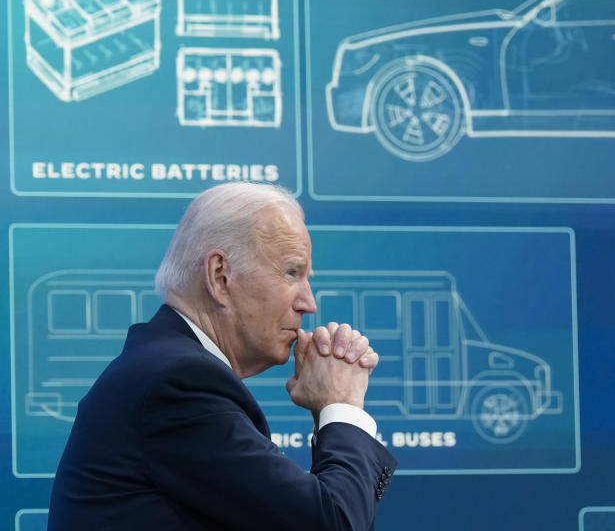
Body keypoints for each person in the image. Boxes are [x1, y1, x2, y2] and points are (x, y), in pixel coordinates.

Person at [48, 182, 397, 530]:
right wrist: (342, 406)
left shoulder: (165, 369)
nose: (309, 303)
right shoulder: (178, 384)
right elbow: (330, 524)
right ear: (220, 276)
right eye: (292, 273)